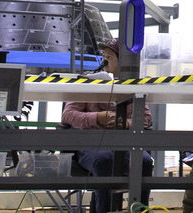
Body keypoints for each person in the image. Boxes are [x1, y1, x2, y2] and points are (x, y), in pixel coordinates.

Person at [61, 42, 151, 213]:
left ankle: (140, 209)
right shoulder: (88, 83)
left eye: (110, 57)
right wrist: (97, 118)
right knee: (104, 161)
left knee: (145, 162)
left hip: (125, 144)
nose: (104, 61)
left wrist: (127, 124)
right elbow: (68, 115)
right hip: (91, 144)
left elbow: (146, 118)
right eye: (104, 57)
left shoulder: (133, 86)